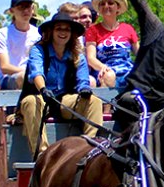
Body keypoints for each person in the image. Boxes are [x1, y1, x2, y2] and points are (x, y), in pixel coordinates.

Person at [18, 12, 104, 155]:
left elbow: (83, 81)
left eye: (67, 29)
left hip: (64, 101)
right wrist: (43, 89)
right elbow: (36, 73)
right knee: (31, 102)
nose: (63, 32)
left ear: (72, 34)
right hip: (41, 97)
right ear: (51, 32)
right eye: (59, 28)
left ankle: (89, 151)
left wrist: (84, 89)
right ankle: (43, 154)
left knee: (94, 102)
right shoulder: (38, 50)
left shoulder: (77, 55)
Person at [85, 0, 139, 89]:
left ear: (117, 7)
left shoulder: (128, 28)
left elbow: (140, 54)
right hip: (105, 71)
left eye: (110, 3)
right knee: (109, 76)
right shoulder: (93, 30)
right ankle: (107, 105)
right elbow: (91, 58)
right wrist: (103, 68)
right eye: (103, 4)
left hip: (128, 71)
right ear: (99, 9)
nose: (106, 6)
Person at [0, 0, 40, 90]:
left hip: (33, 76)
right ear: (12, 11)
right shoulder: (3, 33)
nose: (25, 11)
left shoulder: (38, 34)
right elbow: (4, 67)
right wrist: (29, 72)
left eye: (28, 7)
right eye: (21, 7)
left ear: (32, 9)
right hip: (9, 79)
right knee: (23, 77)